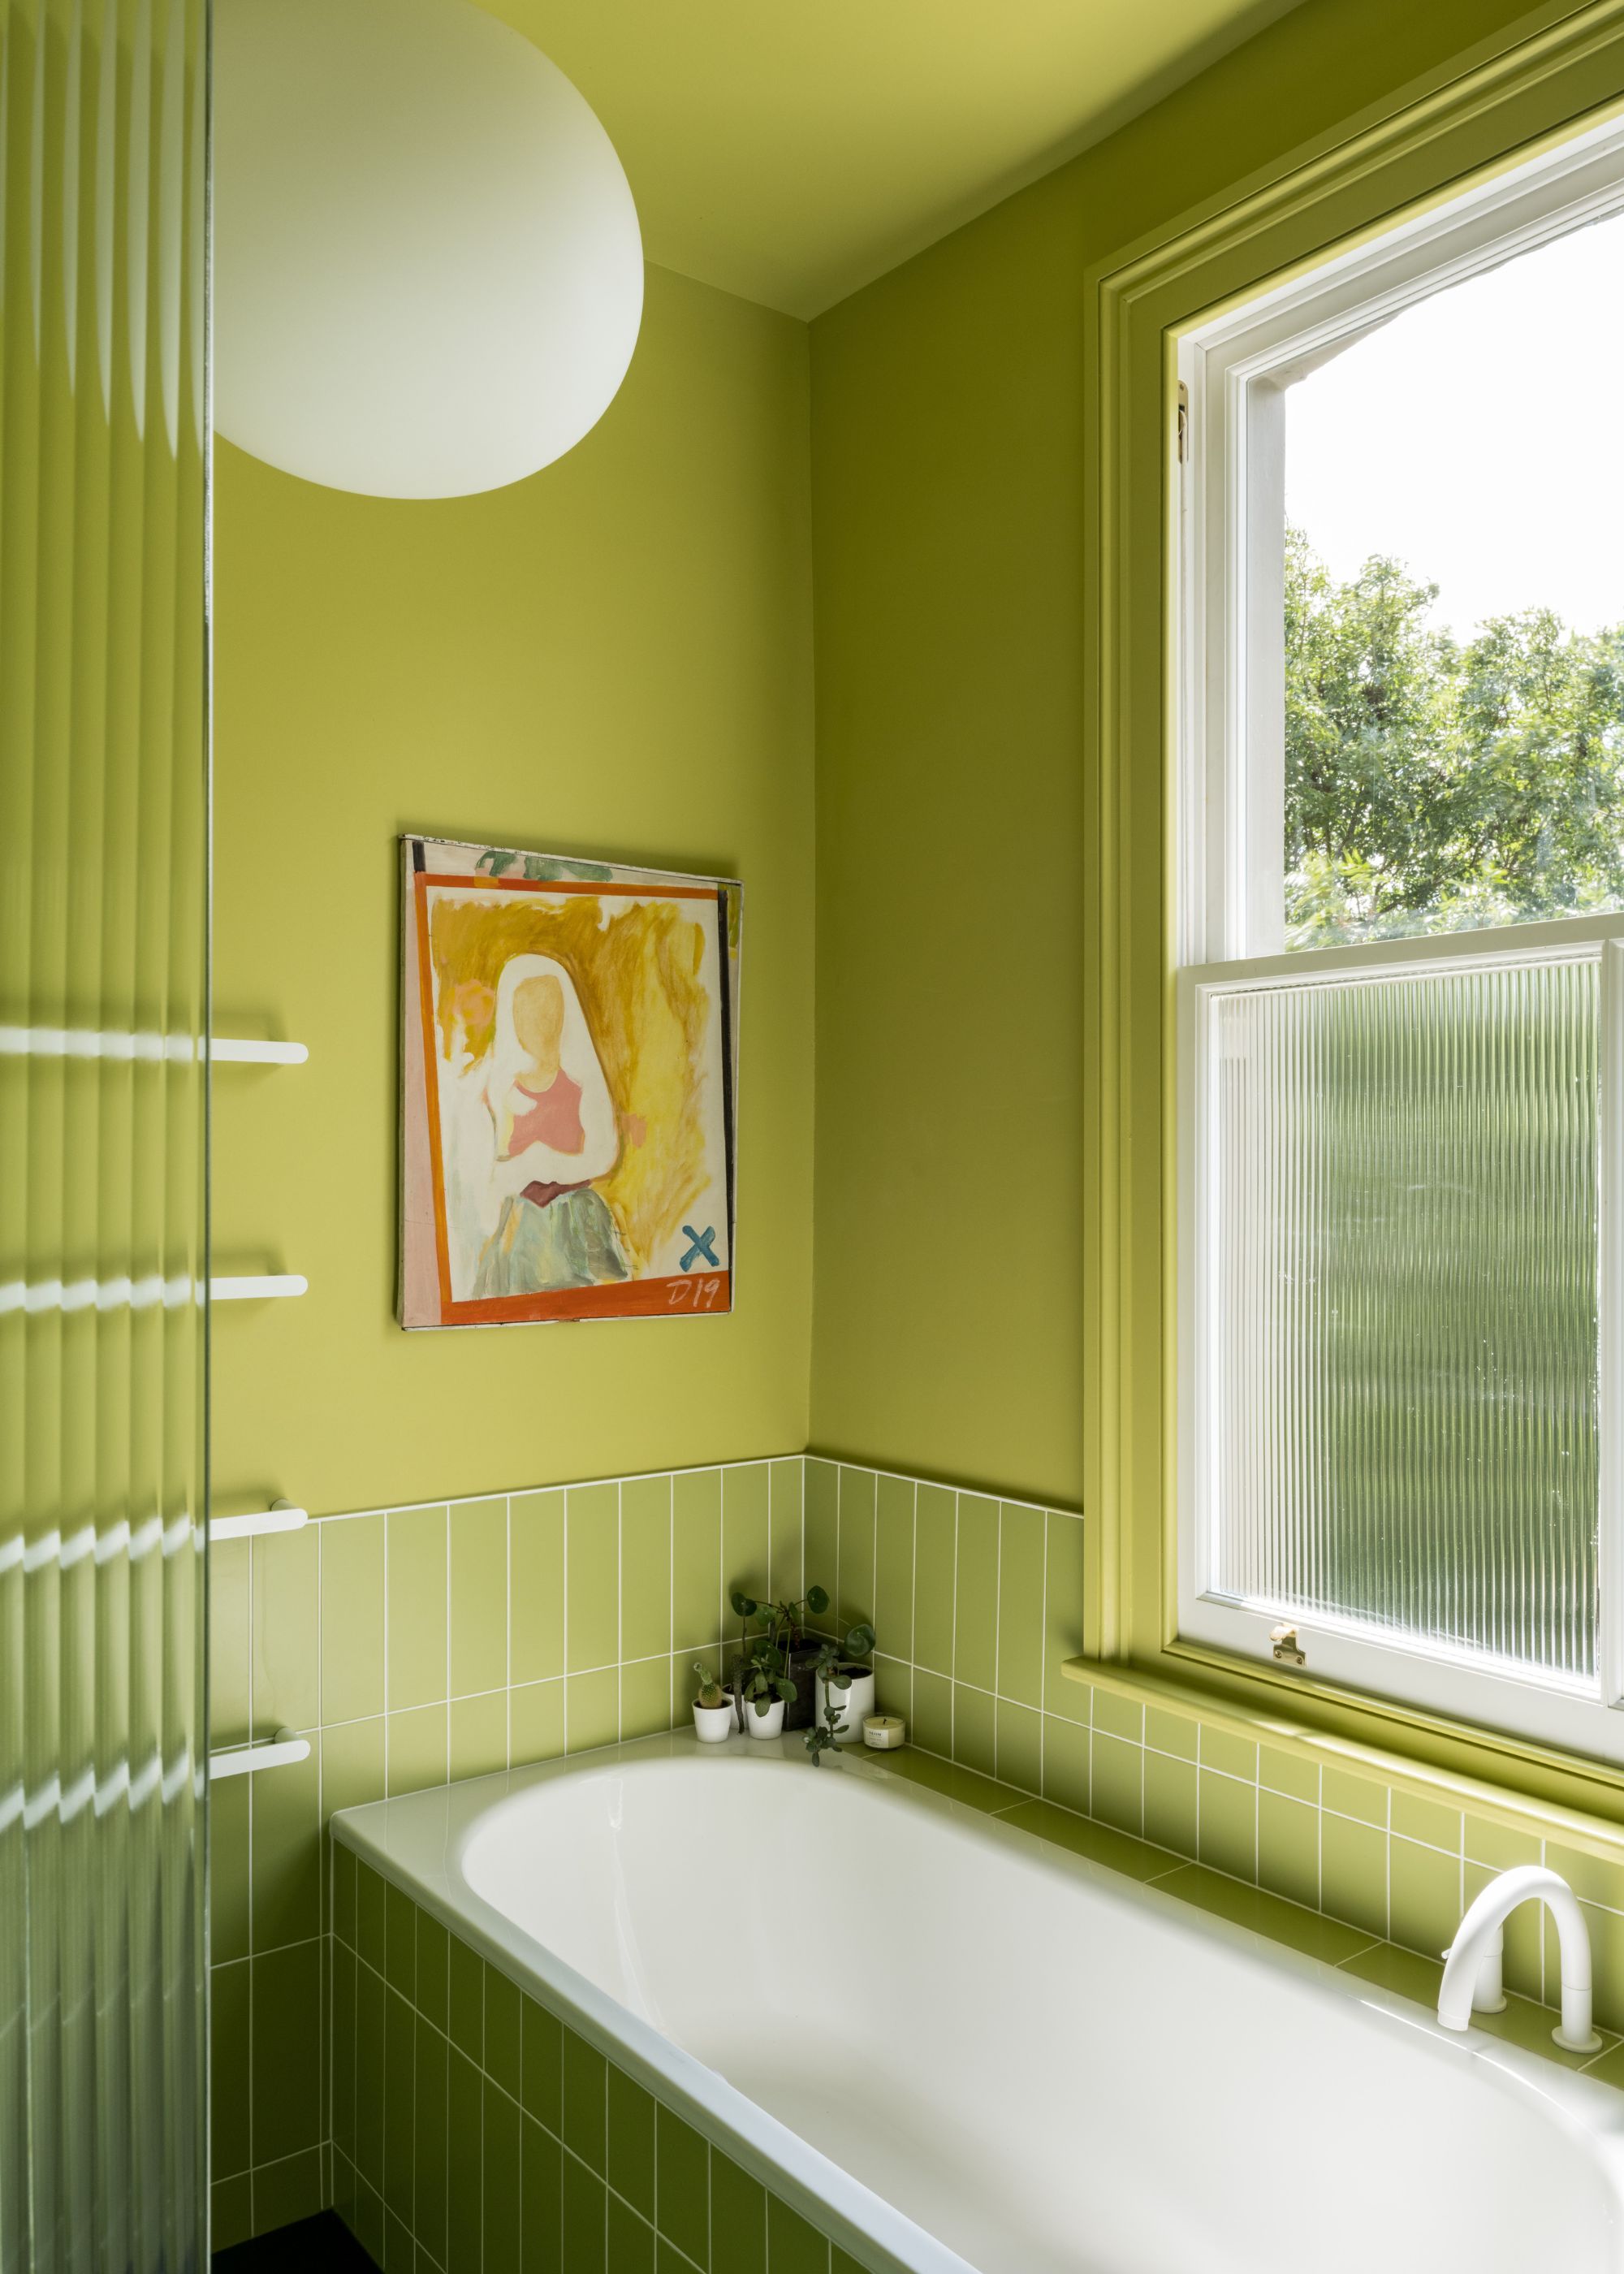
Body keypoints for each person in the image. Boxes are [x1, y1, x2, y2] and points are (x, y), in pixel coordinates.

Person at [466, 953, 629, 1296]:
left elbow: (602, 1154)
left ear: (561, 1016)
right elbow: (493, 1167)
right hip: (523, 1225)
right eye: (526, 1015)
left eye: (546, 1013)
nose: (538, 1025)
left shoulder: (579, 1088)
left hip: (577, 1223)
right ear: (514, 1020)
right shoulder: (504, 1092)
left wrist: (545, 1160)